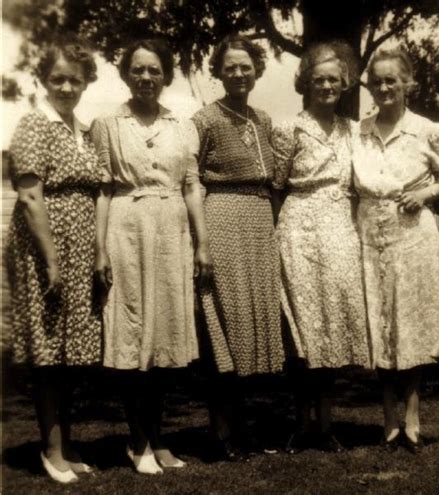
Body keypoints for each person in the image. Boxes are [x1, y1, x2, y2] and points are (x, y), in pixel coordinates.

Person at [91, 38, 211, 474]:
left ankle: (158, 438)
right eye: (138, 70)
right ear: (126, 74)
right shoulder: (107, 123)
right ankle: (136, 440)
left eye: (154, 70)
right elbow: (103, 188)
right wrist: (99, 249)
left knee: (163, 337)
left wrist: (203, 244)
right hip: (126, 227)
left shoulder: (182, 123)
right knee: (132, 330)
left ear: (166, 75)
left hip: (172, 229)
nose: (146, 77)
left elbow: (192, 186)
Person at [353, 48, 439, 453]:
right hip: (371, 238)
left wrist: (424, 193)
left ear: (407, 83)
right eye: (376, 81)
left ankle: (412, 417)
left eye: (391, 80)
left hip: (412, 237)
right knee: (380, 325)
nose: (383, 88)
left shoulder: (426, 130)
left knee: (410, 325)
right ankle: (387, 419)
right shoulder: (358, 130)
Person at [7, 35, 101, 483]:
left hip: (80, 246)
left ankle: (68, 443)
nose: (66, 87)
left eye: (75, 80)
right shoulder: (33, 124)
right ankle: (51, 450)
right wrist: (51, 262)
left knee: (69, 351)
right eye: (58, 79)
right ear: (43, 80)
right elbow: (29, 195)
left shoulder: (81, 130)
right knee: (48, 352)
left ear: (86, 83)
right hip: (45, 247)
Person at [272, 41, 370, 453]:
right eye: (318, 80)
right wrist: (282, 233)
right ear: (305, 84)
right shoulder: (288, 128)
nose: (326, 86)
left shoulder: (355, 131)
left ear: (345, 83)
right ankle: (300, 422)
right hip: (298, 228)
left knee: (331, 328)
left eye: (333, 79)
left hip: (340, 231)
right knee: (302, 331)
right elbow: (275, 186)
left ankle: (325, 424)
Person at [191, 34, 284, 459]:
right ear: (219, 71)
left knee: (250, 324)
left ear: (257, 70)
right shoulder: (205, 119)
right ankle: (220, 432)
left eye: (246, 66)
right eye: (231, 67)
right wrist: (202, 241)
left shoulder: (262, 119)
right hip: (223, 215)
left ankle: (243, 429)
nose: (239, 73)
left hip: (259, 218)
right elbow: (191, 179)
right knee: (224, 323)